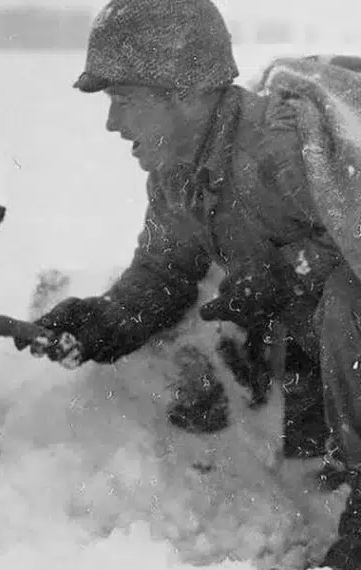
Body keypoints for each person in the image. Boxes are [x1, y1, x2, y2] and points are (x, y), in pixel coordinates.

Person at [20, 0, 361, 567]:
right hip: (323, 372)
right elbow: (164, 271)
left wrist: (289, 271)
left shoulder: (283, 144)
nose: (112, 124)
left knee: (346, 306)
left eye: (123, 100)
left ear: (182, 91)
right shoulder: (179, 176)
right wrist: (106, 319)